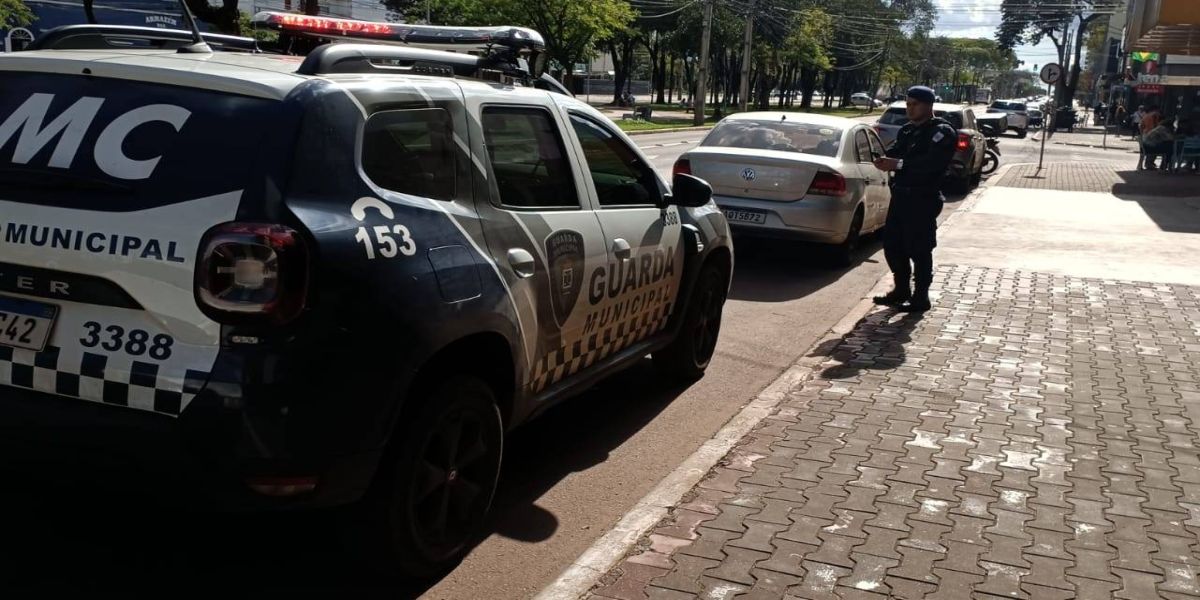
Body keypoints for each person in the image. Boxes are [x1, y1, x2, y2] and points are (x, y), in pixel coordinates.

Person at [870, 86, 957, 313]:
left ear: (928, 106)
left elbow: (931, 164)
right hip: (900, 196)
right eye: (908, 104)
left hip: (923, 198)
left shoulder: (942, 132)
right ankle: (901, 289)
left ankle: (921, 297)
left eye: (914, 104)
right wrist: (883, 159)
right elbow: (896, 151)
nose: (909, 109)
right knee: (892, 246)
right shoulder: (907, 130)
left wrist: (898, 164)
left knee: (919, 248)